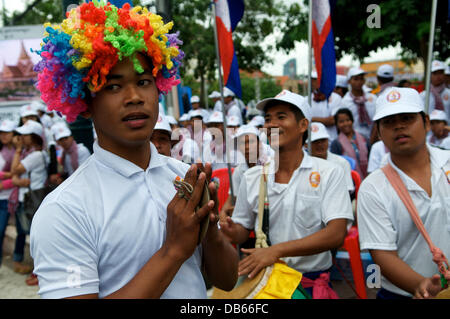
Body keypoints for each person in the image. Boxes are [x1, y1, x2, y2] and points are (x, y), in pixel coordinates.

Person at [30, 2, 237, 299]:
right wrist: (173, 250)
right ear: (85, 104)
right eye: (113, 86)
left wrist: (210, 227)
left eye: (143, 81)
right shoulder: (65, 210)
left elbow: (228, 281)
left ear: (159, 88)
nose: (134, 97)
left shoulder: (183, 178)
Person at [220, 90, 353, 298]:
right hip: (269, 283)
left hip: (310, 282)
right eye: (268, 119)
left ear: (302, 125)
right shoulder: (253, 177)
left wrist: (275, 251)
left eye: (281, 117)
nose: (272, 124)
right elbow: (241, 231)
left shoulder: (329, 172)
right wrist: (225, 227)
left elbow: (336, 234)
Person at [357, 87, 450, 299]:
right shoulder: (373, 187)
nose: (399, 126)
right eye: (388, 122)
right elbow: (382, 254)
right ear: (379, 133)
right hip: (402, 294)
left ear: (426, 122)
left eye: (407, 118)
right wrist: (421, 285)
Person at [10, 120, 49, 286]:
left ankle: (39, 273)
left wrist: (17, 150)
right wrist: (16, 181)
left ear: (32, 138)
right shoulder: (36, 153)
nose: (21, 139)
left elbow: (14, 170)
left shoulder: (35, 155)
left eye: (24, 136)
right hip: (31, 199)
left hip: (32, 200)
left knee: (35, 238)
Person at [306, 122, 354, 195]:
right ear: (306, 145)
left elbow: (348, 191)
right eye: (315, 141)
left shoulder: (342, 163)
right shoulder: (300, 164)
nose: (319, 144)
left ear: (328, 141)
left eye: (323, 140)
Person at [330, 108, 370, 179]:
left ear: (352, 121)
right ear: (337, 124)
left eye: (348, 120)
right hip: (348, 180)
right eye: (341, 122)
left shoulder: (364, 139)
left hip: (368, 178)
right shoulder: (336, 144)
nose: (345, 124)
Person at [0, 120, 19, 268]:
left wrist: (4, 182)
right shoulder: (2, 151)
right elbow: (12, 174)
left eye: (7, 132)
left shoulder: (18, 153)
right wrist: (7, 174)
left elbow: (18, 176)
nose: (3, 135)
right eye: (1, 133)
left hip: (9, 198)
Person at [341, 67, 377, 143]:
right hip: (354, 140)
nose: (359, 82)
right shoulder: (345, 102)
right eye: (356, 79)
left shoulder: (372, 98)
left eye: (361, 79)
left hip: (374, 137)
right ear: (349, 81)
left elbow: (377, 120)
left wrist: (373, 139)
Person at [310, 71, 343, 141]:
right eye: (315, 79)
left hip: (332, 139)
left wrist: (311, 119)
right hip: (313, 140)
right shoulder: (307, 100)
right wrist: (325, 120)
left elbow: (333, 120)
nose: (318, 82)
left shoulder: (336, 98)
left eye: (320, 79)